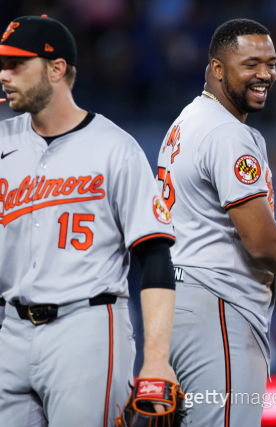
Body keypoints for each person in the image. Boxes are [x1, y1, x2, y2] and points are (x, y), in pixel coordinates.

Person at [156, 19, 276, 427]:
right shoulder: (226, 133)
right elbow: (261, 241)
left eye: (271, 63)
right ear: (218, 68)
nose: (265, 74)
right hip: (216, 307)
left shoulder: (186, 122)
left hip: (182, 302)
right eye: (251, 63)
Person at [0, 15, 179, 426]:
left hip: (86, 329)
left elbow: (154, 257)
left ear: (56, 69)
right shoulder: (4, 141)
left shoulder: (115, 148)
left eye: (16, 65)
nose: (4, 75)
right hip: (10, 329)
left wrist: (155, 358)